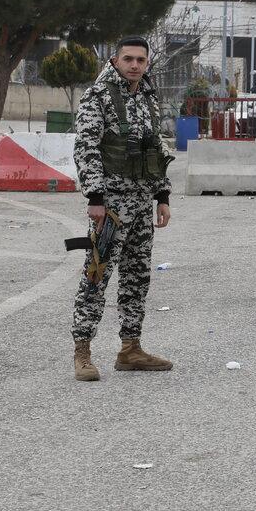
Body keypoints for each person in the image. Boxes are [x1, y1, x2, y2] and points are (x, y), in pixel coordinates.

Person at [69, 36, 174, 382]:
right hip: (111, 206)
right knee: (96, 275)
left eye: (140, 60)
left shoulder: (147, 96)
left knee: (137, 278)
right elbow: (86, 148)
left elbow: (155, 149)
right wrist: (95, 198)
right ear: (115, 60)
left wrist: (163, 196)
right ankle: (82, 352)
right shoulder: (98, 96)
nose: (134, 65)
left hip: (142, 204)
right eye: (128, 59)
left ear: (146, 63)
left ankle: (131, 349)